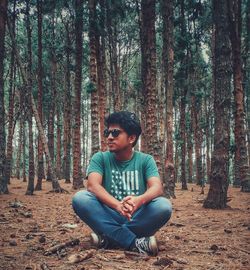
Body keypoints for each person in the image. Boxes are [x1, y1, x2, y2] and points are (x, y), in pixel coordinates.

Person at [72, 111, 172, 256]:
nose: (109, 137)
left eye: (116, 133)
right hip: (107, 215)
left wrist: (138, 200)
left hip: (136, 216)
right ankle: (133, 243)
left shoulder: (146, 160)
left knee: (163, 206)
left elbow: (157, 187)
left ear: (131, 138)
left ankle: (108, 239)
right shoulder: (100, 158)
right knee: (81, 198)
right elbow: (93, 186)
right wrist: (117, 205)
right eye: (108, 132)